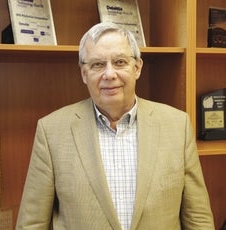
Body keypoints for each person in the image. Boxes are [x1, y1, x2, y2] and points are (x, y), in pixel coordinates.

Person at [16, 22, 215, 230]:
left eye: (119, 62)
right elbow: (32, 223)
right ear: (84, 73)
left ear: (137, 67)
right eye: (97, 65)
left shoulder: (177, 125)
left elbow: (198, 217)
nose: (109, 74)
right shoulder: (51, 131)